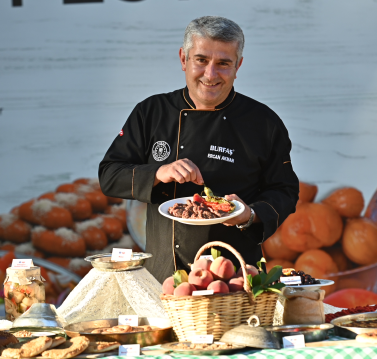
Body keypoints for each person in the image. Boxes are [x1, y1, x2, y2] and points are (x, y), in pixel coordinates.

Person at [99, 16, 299, 283]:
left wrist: (248, 215)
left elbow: (284, 190)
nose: (210, 74)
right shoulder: (151, 112)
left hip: (235, 280)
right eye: (201, 60)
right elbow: (110, 175)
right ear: (184, 59)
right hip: (163, 277)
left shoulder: (263, 123)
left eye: (223, 63)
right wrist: (159, 172)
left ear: (238, 66)